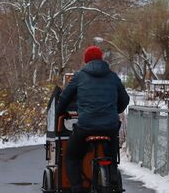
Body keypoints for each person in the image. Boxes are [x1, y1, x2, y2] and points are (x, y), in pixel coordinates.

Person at [56, 46, 130, 193]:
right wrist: (116, 110)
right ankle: (113, 174)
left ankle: (77, 187)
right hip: (109, 127)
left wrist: (60, 112)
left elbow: (64, 98)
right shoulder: (113, 76)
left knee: (72, 155)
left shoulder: (79, 76)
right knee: (111, 148)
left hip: (85, 127)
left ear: (86, 60)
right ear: (101, 59)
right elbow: (125, 99)